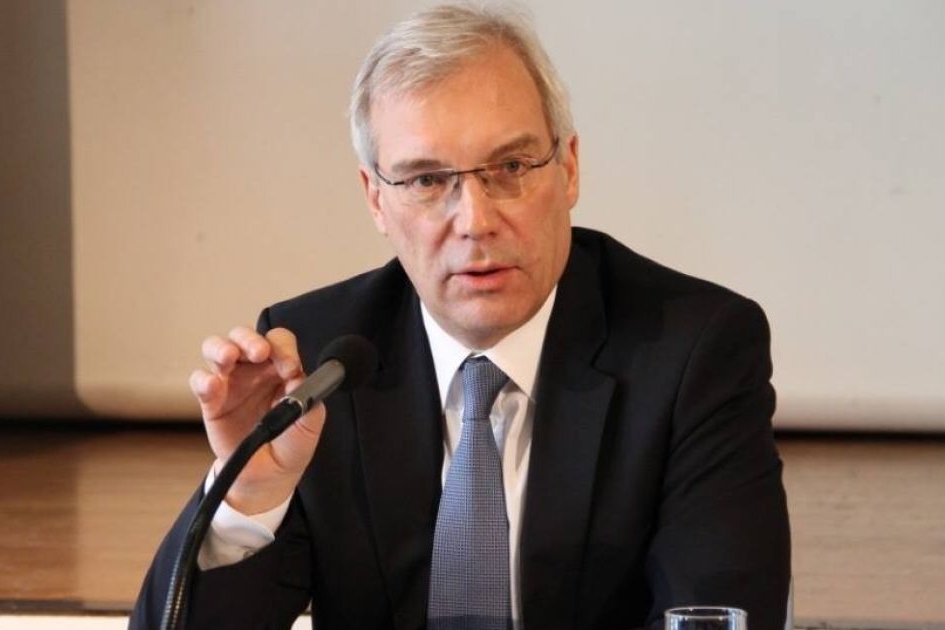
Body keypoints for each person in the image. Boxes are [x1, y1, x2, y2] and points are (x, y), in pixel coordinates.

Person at [131, 4, 790, 629]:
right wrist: (249, 498)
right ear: (375, 198)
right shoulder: (321, 364)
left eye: (510, 167)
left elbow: (716, 614)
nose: (475, 221)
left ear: (568, 169)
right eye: (426, 180)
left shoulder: (693, 352)